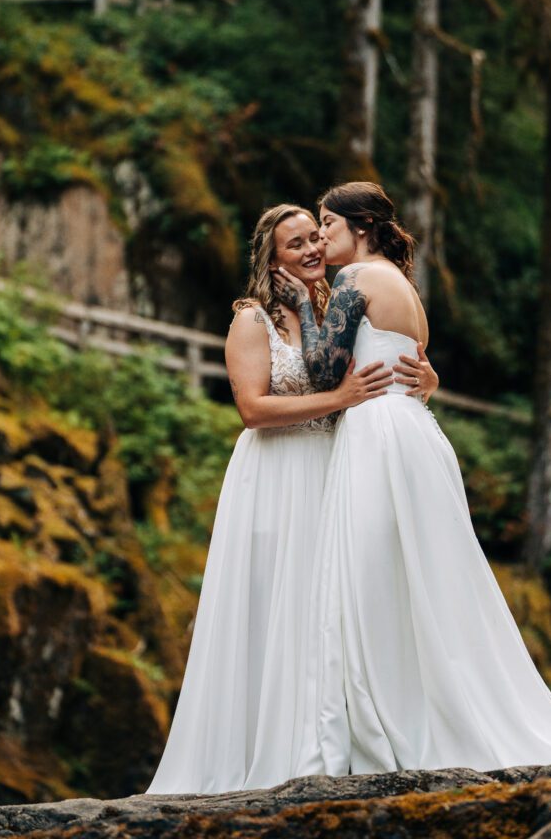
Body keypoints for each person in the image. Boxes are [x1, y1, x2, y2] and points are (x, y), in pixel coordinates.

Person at [273, 182, 551, 777]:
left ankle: (393, 720)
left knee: (371, 578)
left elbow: (324, 370)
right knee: (426, 576)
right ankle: (425, 708)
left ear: (362, 225)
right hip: (415, 431)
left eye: (328, 223)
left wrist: (302, 301)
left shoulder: (355, 280)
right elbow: (415, 364)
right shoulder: (404, 287)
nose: (320, 236)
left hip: (378, 435)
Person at [145, 203, 438, 795]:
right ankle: (256, 755)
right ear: (272, 259)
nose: (309, 250)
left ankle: (320, 746)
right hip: (275, 478)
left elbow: (391, 357)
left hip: (334, 474)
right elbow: (253, 410)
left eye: (314, 237)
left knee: (324, 615)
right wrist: (341, 399)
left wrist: (428, 380)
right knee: (272, 609)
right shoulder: (253, 319)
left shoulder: (341, 306)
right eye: (294, 244)